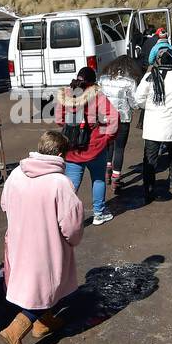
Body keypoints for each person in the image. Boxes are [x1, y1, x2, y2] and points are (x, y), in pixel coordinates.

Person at [0, 130, 84, 344]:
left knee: (33, 284)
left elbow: (4, 204)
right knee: (47, 285)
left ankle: (42, 323)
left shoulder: (16, 173)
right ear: (58, 153)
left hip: (18, 239)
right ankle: (15, 330)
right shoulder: (60, 182)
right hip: (46, 245)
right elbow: (71, 224)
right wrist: (72, 240)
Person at [55, 67, 118, 226]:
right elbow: (113, 118)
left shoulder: (66, 95)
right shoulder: (97, 96)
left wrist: (71, 129)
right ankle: (99, 213)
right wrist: (106, 137)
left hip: (72, 148)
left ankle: (65, 218)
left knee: (71, 185)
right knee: (98, 180)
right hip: (95, 147)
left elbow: (58, 119)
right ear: (93, 82)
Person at [134, 47, 172, 203]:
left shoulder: (150, 76)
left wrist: (151, 107)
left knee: (150, 158)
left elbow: (139, 99)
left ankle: (149, 189)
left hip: (154, 122)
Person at [98, 56, 142, 189]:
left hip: (104, 117)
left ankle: (107, 171)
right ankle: (116, 178)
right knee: (119, 148)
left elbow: (98, 97)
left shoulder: (103, 79)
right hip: (122, 118)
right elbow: (134, 104)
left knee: (107, 145)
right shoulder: (130, 82)